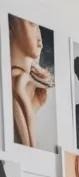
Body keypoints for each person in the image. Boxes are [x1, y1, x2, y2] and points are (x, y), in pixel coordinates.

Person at [9, 17, 52, 149]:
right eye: (32, 24)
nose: (39, 36)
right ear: (12, 27)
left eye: (39, 27)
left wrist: (32, 107)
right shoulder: (15, 82)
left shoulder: (31, 85)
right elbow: (30, 151)